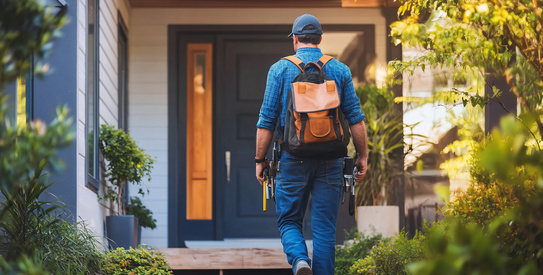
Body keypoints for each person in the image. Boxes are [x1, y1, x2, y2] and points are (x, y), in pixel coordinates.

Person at [255, 14, 369, 275]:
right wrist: (362, 156)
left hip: (292, 159)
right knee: (325, 229)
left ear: (295, 39)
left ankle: (299, 261)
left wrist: (260, 161)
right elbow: (355, 118)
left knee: (289, 220)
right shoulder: (339, 70)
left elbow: (266, 120)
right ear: (319, 39)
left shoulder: (279, 70)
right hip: (331, 160)